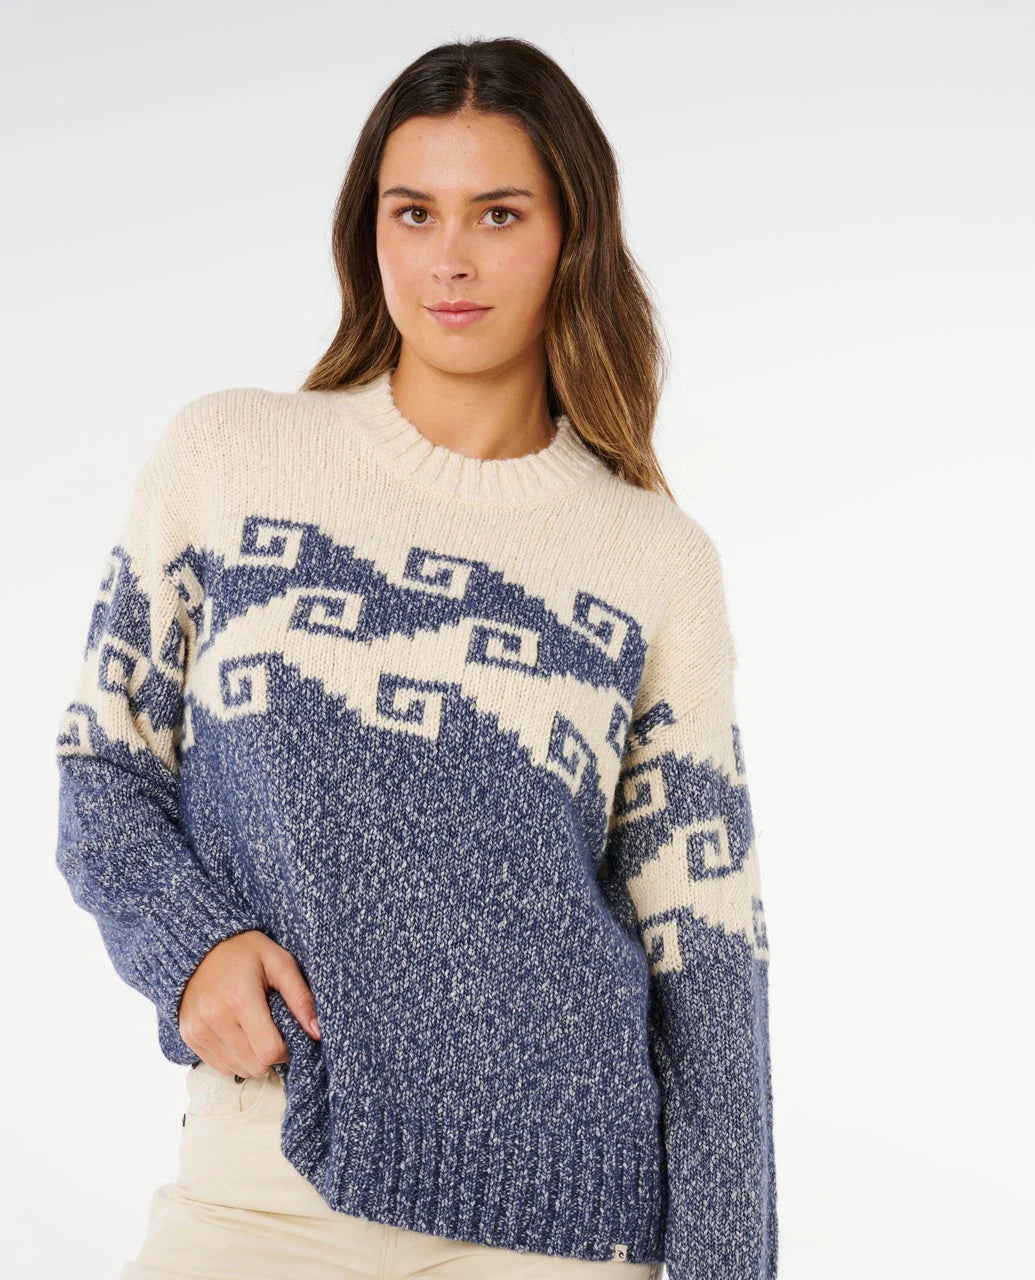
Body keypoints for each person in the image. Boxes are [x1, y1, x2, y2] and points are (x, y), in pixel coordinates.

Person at [54, 35, 777, 1280]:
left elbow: (706, 961)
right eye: (414, 212)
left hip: (566, 1215)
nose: (450, 258)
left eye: (499, 213)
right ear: (369, 231)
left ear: (573, 236)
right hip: (267, 1175)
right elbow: (103, 766)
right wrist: (191, 940)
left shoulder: (654, 558)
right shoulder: (229, 459)